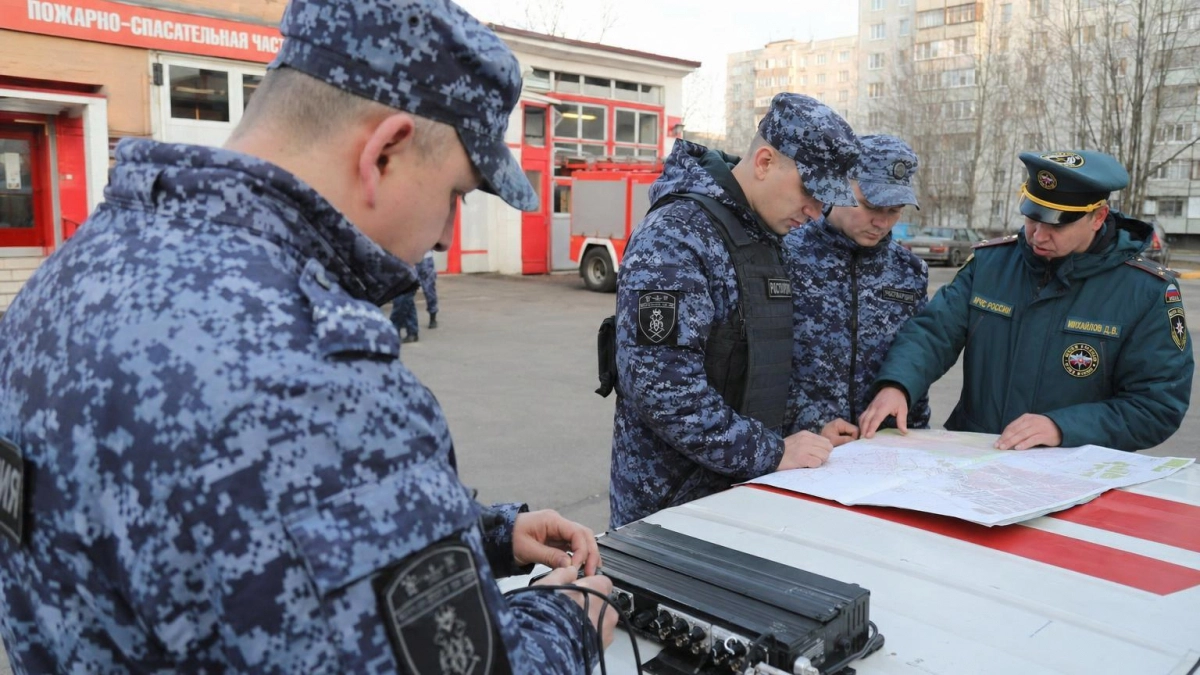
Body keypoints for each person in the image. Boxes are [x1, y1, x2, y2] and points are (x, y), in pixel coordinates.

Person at [0, 0, 616, 673]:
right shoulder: (316, 377)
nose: (446, 235)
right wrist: (568, 620)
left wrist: (484, 535)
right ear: (384, 151)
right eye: (455, 194)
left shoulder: (66, 278)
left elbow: (245, 540)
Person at [608, 93, 862, 528]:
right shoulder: (675, 236)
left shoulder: (765, 237)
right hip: (671, 513)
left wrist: (809, 426)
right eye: (810, 192)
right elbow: (663, 391)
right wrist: (773, 452)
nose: (817, 212)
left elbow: (762, 362)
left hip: (741, 496)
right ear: (764, 162)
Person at [859, 149, 1194, 451]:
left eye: (1056, 226)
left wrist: (1062, 427)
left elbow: (1156, 406)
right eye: (1033, 218)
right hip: (976, 457)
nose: (1038, 236)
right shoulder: (991, 265)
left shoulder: (1145, 290)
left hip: (1071, 474)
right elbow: (934, 333)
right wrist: (898, 385)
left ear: (1098, 217)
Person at [783, 135, 931, 442]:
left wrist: (912, 433)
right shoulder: (785, 254)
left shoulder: (910, 271)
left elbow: (915, 357)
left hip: (883, 446)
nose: (882, 222)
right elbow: (758, 365)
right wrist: (807, 422)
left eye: (895, 210)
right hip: (802, 444)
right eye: (871, 206)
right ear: (838, 186)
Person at [389, 251, 439, 344]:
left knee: (404, 296)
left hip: (412, 259)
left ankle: (395, 329)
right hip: (404, 259)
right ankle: (411, 331)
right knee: (405, 296)